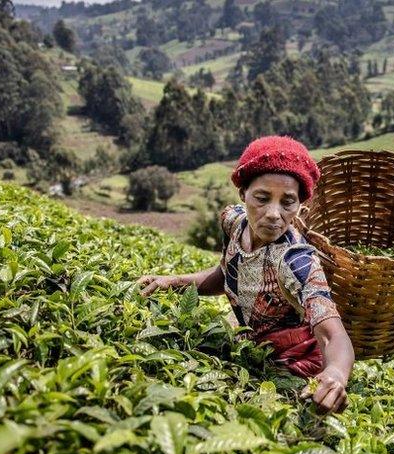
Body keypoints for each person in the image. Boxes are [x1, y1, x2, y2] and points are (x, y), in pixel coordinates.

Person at [136, 136, 354, 414]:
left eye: (288, 202)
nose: (274, 214)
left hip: (294, 364)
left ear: (300, 204)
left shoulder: (297, 260)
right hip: (250, 344)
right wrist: (173, 282)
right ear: (243, 194)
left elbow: (333, 336)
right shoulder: (234, 221)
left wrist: (335, 374)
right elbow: (227, 274)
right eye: (262, 198)